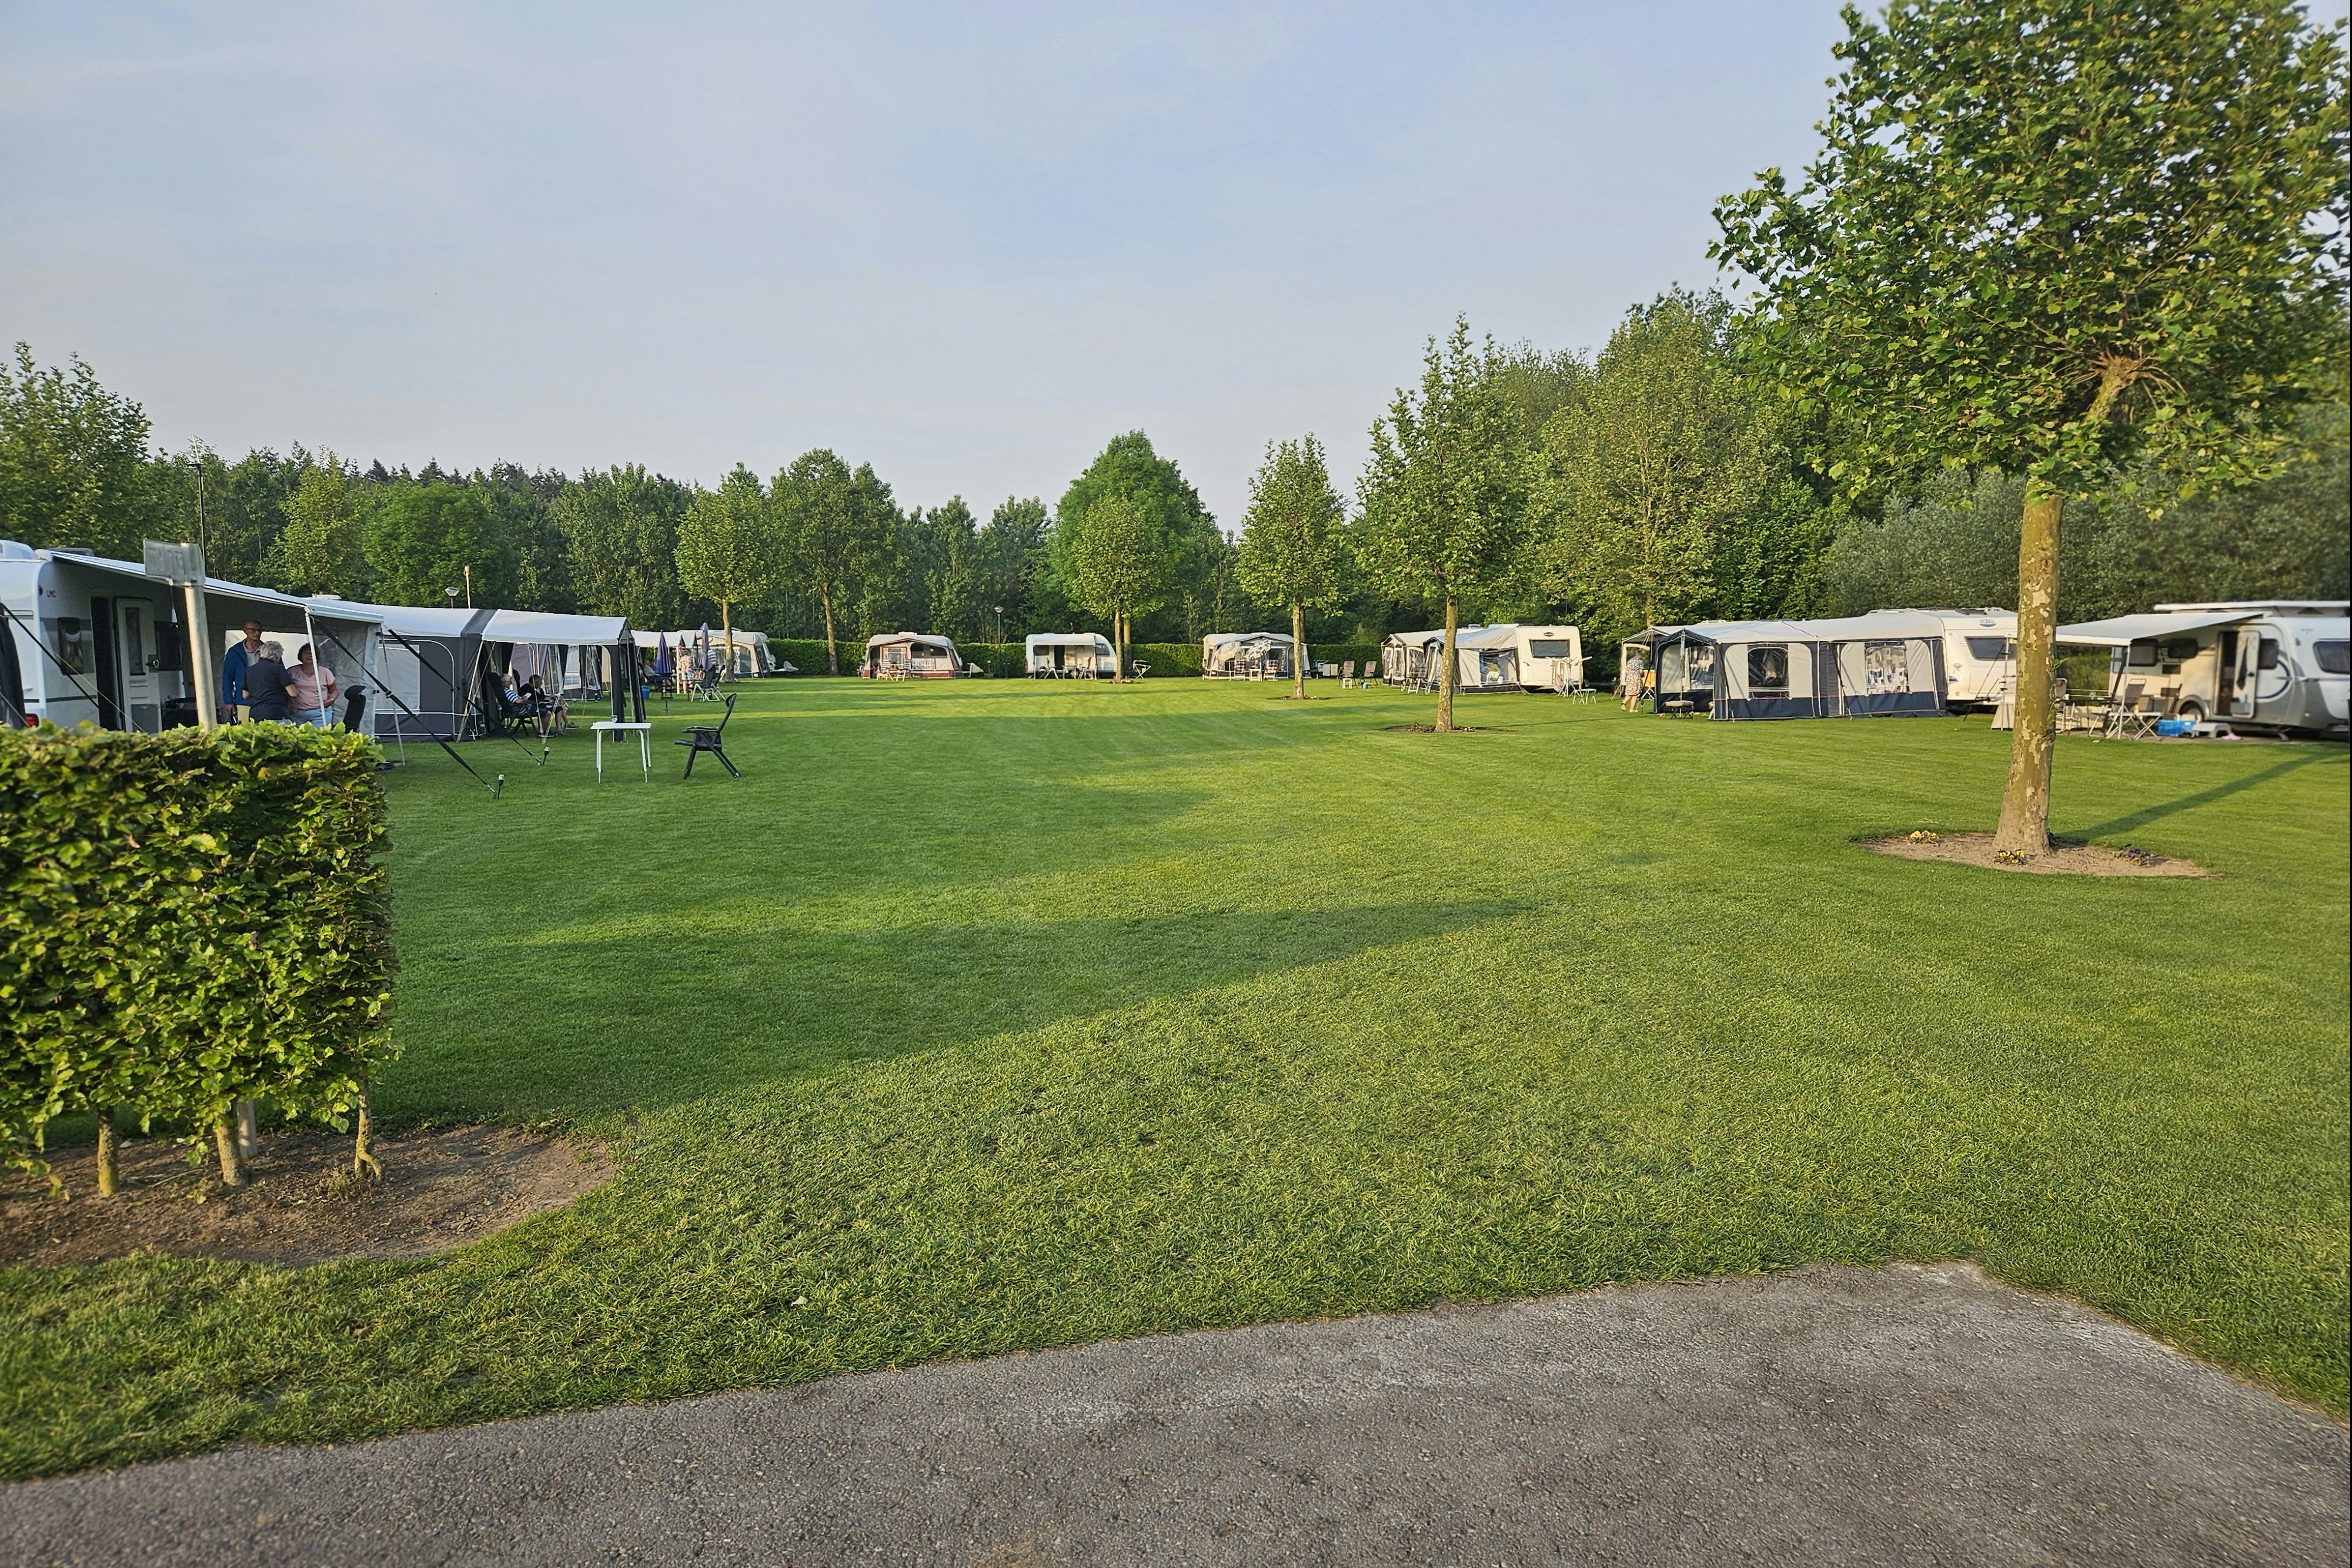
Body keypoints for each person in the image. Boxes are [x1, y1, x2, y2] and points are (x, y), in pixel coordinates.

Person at [221, 621, 265, 724]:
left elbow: (280, 673)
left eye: (259, 630)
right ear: (245, 631)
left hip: (266, 701)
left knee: (267, 733)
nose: (257, 633)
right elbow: (227, 678)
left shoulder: (269, 650)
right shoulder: (235, 652)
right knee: (245, 733)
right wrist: (229, 701)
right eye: (253, 630)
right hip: (243, 701)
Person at [288, 643, 338, 728]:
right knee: (297, 739)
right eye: (306, 653)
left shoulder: (325, 672)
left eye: (312, 653)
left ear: (317, 656)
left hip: (320, 713)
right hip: (297, 713)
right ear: (300, 656)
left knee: (319, 738)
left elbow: (335, 690)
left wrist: (331, 700)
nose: (309, 655)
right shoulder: (292, 672)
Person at [243, 640, 295, 723]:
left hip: (256, 715)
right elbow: (293, 693)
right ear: (277, 656)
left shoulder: (249, 670)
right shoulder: (279, 669)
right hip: (277, 714)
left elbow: (245, 695)